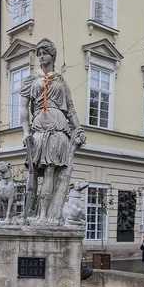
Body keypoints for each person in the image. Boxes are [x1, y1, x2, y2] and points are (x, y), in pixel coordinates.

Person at [20, 38, 85, 224]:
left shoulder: (61, 82)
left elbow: (70, 108)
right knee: (32, 174)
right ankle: (28, 214)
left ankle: (45, 216)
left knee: (50, 172)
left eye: (45, 54)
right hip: (39, 127)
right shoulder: (31, 80)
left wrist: (78, 128)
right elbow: (23, 108)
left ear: (52, 56)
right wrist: (26, 132)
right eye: (39, 54)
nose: (41, 57)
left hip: (58, 129)